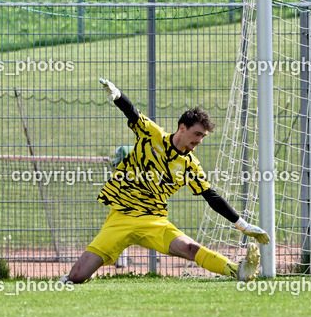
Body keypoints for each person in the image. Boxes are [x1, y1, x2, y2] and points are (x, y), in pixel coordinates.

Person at [60, 79, 268, 284]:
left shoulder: (190, 165)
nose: (199, 141)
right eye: (197, 134)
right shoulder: (153, 135)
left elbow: (211, 196)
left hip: (153, 220)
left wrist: (242, 224)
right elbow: (133, 113)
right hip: (121, 216)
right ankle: (82, 273)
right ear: (182, 127)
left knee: (190, 248)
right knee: (76, 277)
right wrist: (118, 96)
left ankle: (237, 270)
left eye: (203, 137)